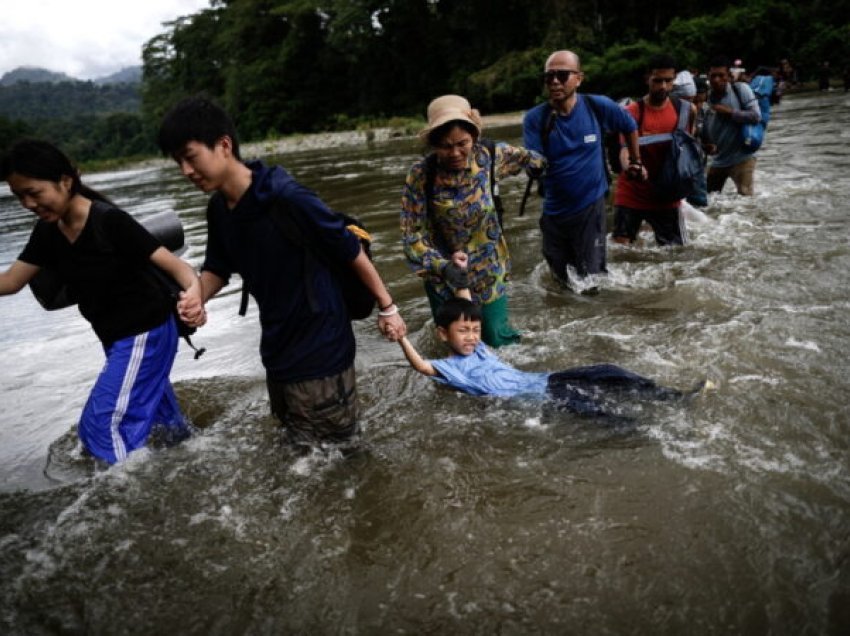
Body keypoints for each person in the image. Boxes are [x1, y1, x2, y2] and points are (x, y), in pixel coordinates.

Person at [157, 96, 406, 452]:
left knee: (340, 456)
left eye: (191, 156)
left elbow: (350, 250)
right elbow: (217, 268)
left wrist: (388, 308)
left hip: (322, 346)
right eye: (178, 161)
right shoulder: (219, 209)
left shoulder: (287, 197)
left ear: (224, 145)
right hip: (277, 349)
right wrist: (196, 296)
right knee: (300, 451)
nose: (186, 170)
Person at [0, 139, 200, 464]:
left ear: (66, 181)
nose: (28, 203)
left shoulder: (109, 221)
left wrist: (194, 297)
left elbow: (179, 268)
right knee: (166, 428)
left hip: (145, 333)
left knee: (102, 428)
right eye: (19, 196)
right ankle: (193, 465)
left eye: (34, 193)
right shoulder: (49, 232)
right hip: (118, 339)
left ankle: (129, 505)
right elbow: (10, 282)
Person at [393, 297, 706, 417]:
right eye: (463, 331)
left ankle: (671, 397)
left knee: (608, 371)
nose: (472, 336)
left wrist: (460, 273)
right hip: (535, 397)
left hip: (546, 380)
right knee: (592, 409)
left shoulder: (480, 348)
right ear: (443, 334)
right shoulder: (450, 368)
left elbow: (467, 306)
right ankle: (642, 429)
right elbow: (420, 365)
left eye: (475, 329)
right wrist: (401, 337)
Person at [400, 94, 546, 348]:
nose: (455, 152)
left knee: (498, 340)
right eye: (445, 146)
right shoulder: (421, 175)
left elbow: (534, 160)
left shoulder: (490, 155)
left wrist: (544, 172)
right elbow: (412, 237)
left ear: (474, 137)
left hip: (488, 269)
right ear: (434, 144)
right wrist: (444, 267)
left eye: (462, 143)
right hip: (443, 275)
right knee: (456, 347)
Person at [523, 50, 643, 292]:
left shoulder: (596, 106)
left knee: (591, 281)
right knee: (561, 282)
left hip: (590, 206)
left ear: (579, 78)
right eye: (549, 77)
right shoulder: (536, 118)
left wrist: (636, 162)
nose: (555, 81)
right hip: (554, 211)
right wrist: (528, 165)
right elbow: (534, 158)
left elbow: (629, 125)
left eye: (562, 75)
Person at [612, 55, 698, 247]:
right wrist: (632, 166)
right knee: (620, 250)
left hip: (667, 195)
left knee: (677, 254)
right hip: (632, 192)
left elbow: (687, 150)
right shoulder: (630, 113)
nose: (664, 87)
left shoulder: (687, 111)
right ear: (647, 79)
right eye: (658, 80)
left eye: (669, 81)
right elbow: (624, 150)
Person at [702, 56, 762, 196]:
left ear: (728, 76)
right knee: (706, 201)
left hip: (742, 158)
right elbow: (704, 126)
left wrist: (730, 112)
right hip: (718, 160)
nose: (716, 80)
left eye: (721, 75)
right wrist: (706, 144)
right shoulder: (706, 98)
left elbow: (756, 116)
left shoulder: (741, 89)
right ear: (708, 77)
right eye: (713, 76)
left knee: (746, 199)